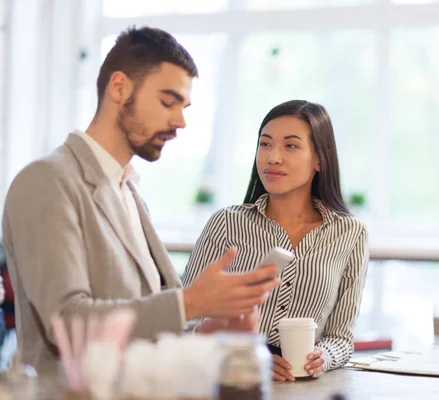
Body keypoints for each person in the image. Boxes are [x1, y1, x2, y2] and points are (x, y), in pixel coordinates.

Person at [1, 26, 279, 376]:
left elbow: (143, 324)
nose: (180, 121)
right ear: (119, 87)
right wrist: (189, 302)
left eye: (184, 106)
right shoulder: (46, 181)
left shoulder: (130, 193)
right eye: (168, 102)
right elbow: (67, 324)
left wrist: (212, 330)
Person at [182, 100, 369, 381]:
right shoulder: (225, 223)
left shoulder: (351, 233)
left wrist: (324, 357)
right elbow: (183, 321)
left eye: (290, 146)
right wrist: (247, 354)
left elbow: (341, 338)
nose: (273, 158)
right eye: (265, 144)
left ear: (319, 159)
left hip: (305, 390)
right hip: (231, 384)